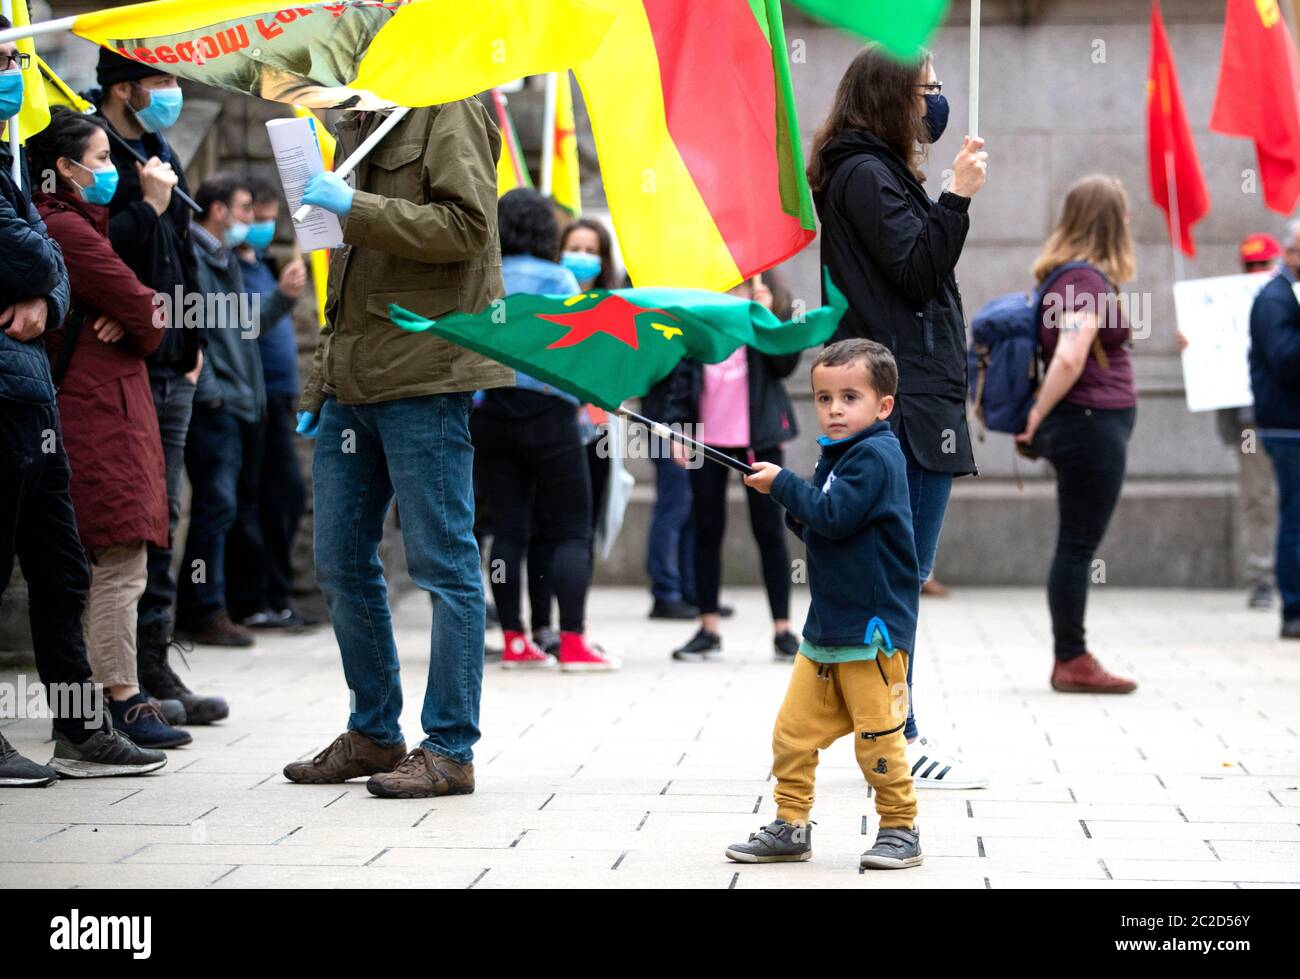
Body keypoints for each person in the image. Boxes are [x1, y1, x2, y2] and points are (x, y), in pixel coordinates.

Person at [283, 97, 515, 799]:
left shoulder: (449, 107)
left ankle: (449, 747)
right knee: (339, 560)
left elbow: (469, 226)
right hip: (356, 380)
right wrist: (319, 384)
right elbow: (347, 279)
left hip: (427, 371)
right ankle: (374, 732)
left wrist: (355, 206)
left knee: (443, 564)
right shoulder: (354, 122)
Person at [809, 44, 988, 788]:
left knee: (894, 573)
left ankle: (865, 719)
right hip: (905, 400)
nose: (935, 102)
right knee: (898, 573)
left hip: (917, 391)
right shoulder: (864, 174)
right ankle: (895, 733)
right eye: (927, 89)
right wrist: (958, 197)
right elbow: (917, 270)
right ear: (891, 95)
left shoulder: (873, 170)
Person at [0, 21, 166, 783]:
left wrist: (50, 298)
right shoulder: (53, 209)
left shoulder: (17, 176)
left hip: (33, 401)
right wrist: (44, 278)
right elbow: (38, 250)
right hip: (21, 394)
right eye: (3, 57)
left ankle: (78, 725)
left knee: (64, 569)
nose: (13, 70)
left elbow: (50, 269)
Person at [725, 339, 921, 869]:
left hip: (871, 632)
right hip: (827, 631)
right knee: (792, 733)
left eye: (849, 397)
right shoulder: (839, 455)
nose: (834, 409)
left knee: (878, 740)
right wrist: (790, 498)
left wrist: (785, 486)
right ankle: (791, 824)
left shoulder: (876, 456)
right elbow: (823, 524)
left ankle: (900, 828)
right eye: (823, 397)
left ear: (883, 406)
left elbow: (833, 515)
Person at [29, 110, 189, 749]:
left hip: (108, 409)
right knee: (118, 556)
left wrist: (136, 313)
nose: (111, 171)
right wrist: (136, 314)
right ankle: (119, 696)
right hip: (95, 416)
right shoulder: (66, 226)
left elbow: (146, 310)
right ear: (65, 168)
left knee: (107, 559)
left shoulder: (77, 222)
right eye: (99, 159)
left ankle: (111, 694)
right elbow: (151, 310)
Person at [93, 49, 227, 725]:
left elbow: (183, 255)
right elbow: (102, 253)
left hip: (176, 362)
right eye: (162, 81)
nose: (173, 91)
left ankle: (154, 659)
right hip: (128, 364)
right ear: (124, 90)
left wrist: (196, 340)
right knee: (133, 521)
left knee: (165, 515)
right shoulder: (96, 154)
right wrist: (146, 205)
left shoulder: (159, 149)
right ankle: (125, 677)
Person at [471, 188, 619, 671]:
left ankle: (515, 639)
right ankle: (572, 640)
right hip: (551, 415)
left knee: (507, 531)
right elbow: (580, 349)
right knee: (571, 529)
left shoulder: (483, 278)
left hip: (492, 412)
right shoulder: (559, 280)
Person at [1017, 175, 1139, 693]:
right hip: (1090, 425)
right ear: (1111, 222)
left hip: (1087, 423)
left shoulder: (1065, 279)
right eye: (1125, 216)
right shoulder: (1084, 281)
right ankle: (1071, 657)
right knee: (1078, 544)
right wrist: (1037, 415)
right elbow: (1070, 354)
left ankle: (1071, 654)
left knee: (1076, 541)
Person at [176, 175, 305, 646]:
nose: (251, 220)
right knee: (216, 508)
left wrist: (283, 299)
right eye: (246, 209)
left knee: (228, 506)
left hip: (239, 404)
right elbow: (193, 329)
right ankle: (202, 609)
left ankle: (215, 606)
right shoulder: (193, 253)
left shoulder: (220, 257)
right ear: (217, 210)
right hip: (218, 406)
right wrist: (209, 394)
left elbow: (241, 327)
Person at [665, 277, 801, 663]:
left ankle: (782, 629)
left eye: (740, 287)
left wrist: (765, 319)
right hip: (707, 442)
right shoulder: (701, 326)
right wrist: (678, 430)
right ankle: (708, 627)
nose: (733, 295)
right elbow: (681, 382)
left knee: (770, 530)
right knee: (706, 528)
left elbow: (785, 364)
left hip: (759, 440)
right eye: (726, 287)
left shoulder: (762, 321)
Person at [225, 176, 312, 630]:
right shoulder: (226, 267)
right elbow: (243, 326)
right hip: (249, 400)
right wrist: (284, 297)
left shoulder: (260, 263)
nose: (260, 226)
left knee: (287, 497)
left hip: (278, 398)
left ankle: (277, 596)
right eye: (252, 217)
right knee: (252, 498)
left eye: (267, 218)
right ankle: (251, 600)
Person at [1177, 233, 1281, 609]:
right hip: (1252, 420)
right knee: (1259, 499)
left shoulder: (1288, 299)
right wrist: (1194, 346)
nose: (1255, 273)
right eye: (1249, 266)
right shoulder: (1232, 303)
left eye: (1263, 265)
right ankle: (1262, 578)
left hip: (1287, 416)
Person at [1249, 220, 1300, 640]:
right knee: (1293, 518)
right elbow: (1285, 360)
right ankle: (1294, 609)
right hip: (1288, 428)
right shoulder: (1275, 299)